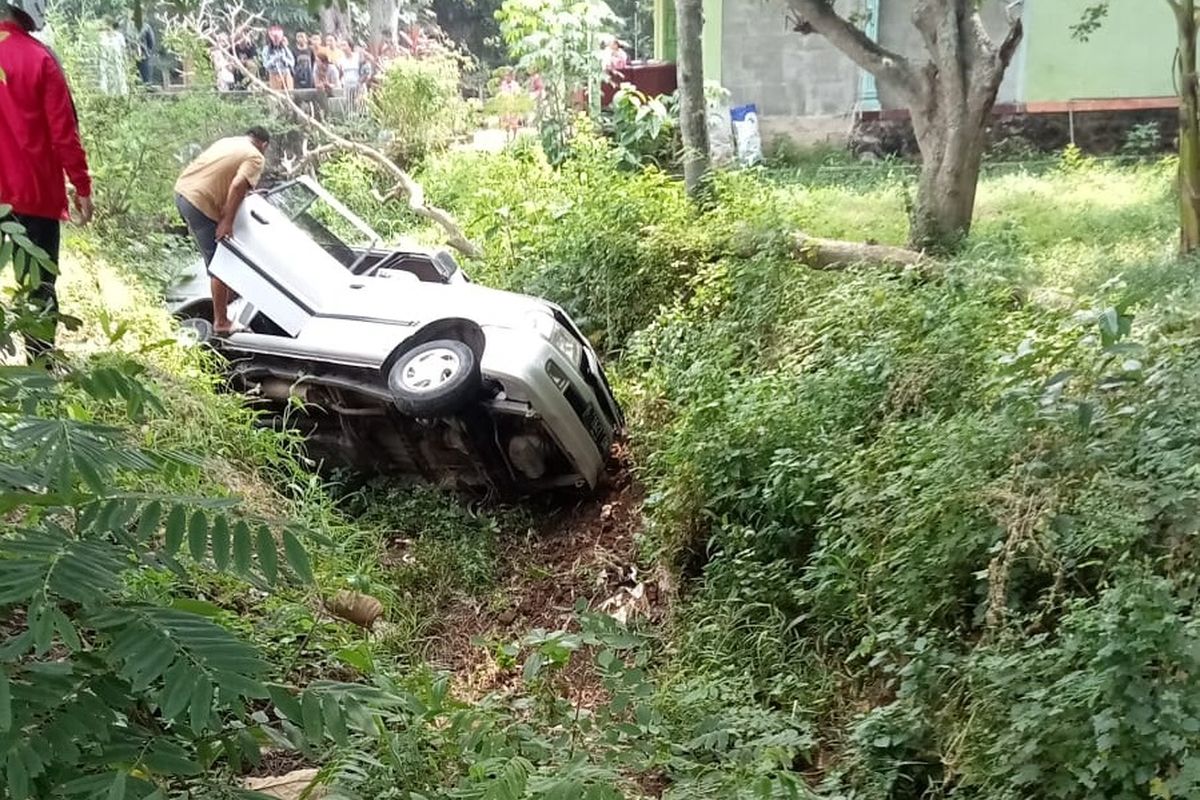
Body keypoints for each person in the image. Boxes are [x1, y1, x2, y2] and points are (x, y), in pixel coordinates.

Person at [0, 0, 95, 362]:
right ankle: (38, 371)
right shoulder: (39, 58)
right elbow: (63, 132)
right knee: (38, 285)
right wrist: (82, 186)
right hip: (33, 195)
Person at [173, 127, 269, 336]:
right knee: (221, 262)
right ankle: (221, 322)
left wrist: (246, 193)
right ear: (264, 145)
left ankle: (225, 297)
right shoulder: (256, 156)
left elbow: (221, 177)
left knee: (216, 256)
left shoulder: (229, 141)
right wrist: (226, 222)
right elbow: (236, 186)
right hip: (200, 202)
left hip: (182, 192)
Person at [96, 17, 128, 96]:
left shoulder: (119, 36)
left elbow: (123, 49)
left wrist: (125, 60)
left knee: (119, 74)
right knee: (104, 75)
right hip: (105, 60)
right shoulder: (102, 36)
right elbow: (99, 49)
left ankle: (121, 94)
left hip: (117, 61)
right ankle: (105, 94)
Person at [261, 25, 294, 92]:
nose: (276, 40)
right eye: (274, 38)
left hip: (286, 75)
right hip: (274, 76)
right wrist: (274, 60)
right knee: (276, 97)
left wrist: (284, 59)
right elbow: (265, 65)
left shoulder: (285, 48)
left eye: (278, 38)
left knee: (289, 95)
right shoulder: (266, 49)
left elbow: (292, 63)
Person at [135, 18, 155, 84]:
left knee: (146, 78)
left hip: (143, 55)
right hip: (132, 55)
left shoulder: (146, 27)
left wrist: (147, 51)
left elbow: (151, 42)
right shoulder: (126, 26)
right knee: (136, 78)